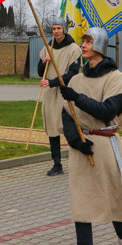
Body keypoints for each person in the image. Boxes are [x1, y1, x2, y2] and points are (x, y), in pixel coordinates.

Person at [58, 27, 122, 245]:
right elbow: (67, 114)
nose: (83, 45)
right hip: (83, 145)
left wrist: (78, 98)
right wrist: (76, 141)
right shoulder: (75, 79)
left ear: (100, 46)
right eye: (83, 41)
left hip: (106, 144)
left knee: (114, 196)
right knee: (81, 201)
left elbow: (106, 111)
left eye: (88, 41)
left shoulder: (115, 78)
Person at [38, 17, 82, 176]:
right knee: (52, 129)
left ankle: (80, 160)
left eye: (59, 28)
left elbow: (72, 74)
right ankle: (57, 164)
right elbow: (39, 72)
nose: (56, 31)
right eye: (54, 28)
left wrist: (53, 82)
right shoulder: (47, 48)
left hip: (66, 93)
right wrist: (44, 63)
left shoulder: (73, 49)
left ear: (64, 29)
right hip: (50, 95)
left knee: (71, 128)